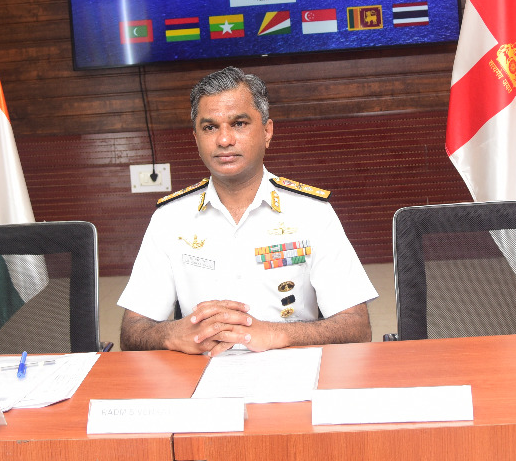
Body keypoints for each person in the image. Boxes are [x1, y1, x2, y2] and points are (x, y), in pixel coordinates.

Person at [118, 66, 377, 355]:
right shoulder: (170, 219)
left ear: (267, 132)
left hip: (291, 369)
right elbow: (132, 332)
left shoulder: (312, 213)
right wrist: (170, 334)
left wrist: (276, 333)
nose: (224, 140)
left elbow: (357, 327)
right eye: (210, 127)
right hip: (200, 373)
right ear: (196, 138)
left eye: (239, 123)